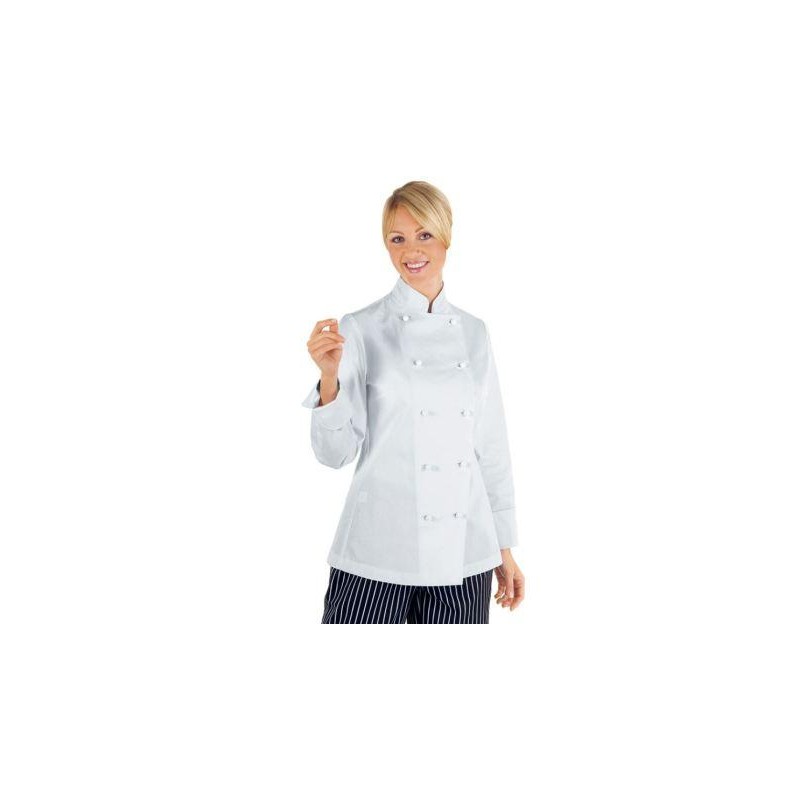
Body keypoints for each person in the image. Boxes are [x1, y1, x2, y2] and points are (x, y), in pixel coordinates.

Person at [301, 180, 525, 624]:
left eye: (424, 234)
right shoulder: (361, 328)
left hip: (464, 555)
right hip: (377, 552)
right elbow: (334, 454)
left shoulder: (474, 331)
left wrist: (503, 546)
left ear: (446, 237)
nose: (411, 251)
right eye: (397, 239)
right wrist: (329, 379)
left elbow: (490, 446)